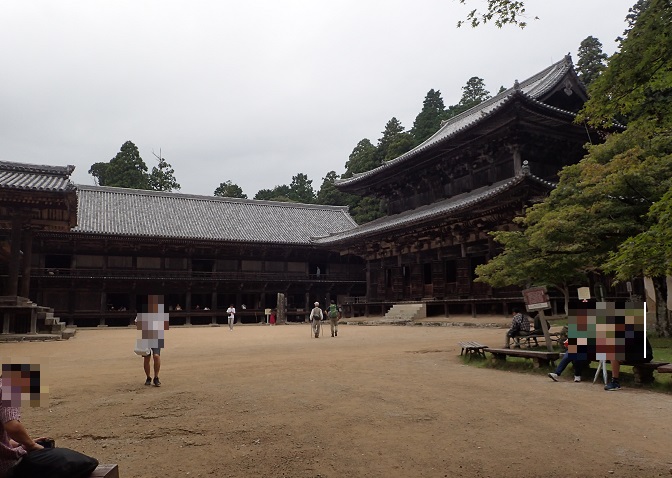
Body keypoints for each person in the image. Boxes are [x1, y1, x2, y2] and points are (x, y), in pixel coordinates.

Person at [136, 294, 169, 387]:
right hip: (145, 336)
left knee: (156, 356)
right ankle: (148, 377)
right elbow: (137, 324)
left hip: (157, 336)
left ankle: (156, 377)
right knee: (146, 358)